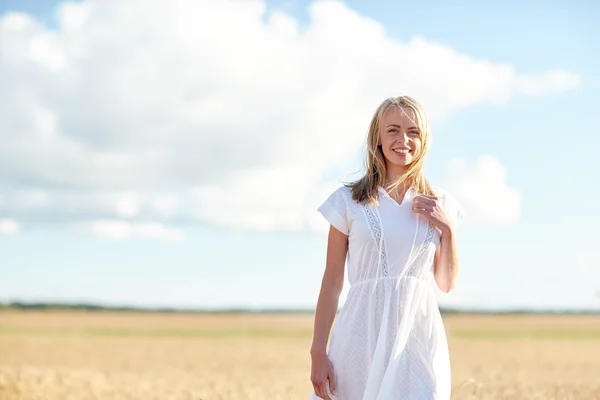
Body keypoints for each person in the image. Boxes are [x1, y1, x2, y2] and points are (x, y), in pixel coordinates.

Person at [309, 96, 465, 400]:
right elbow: (331, 283)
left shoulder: (442, 203)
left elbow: (446, 284)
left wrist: (447, 228)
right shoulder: (347, 201)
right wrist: (318, 352)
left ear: (424, 139)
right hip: (359, 336)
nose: (403, 140)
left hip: (417, 338)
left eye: (413, 131)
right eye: (393, 130)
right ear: (377, 138)